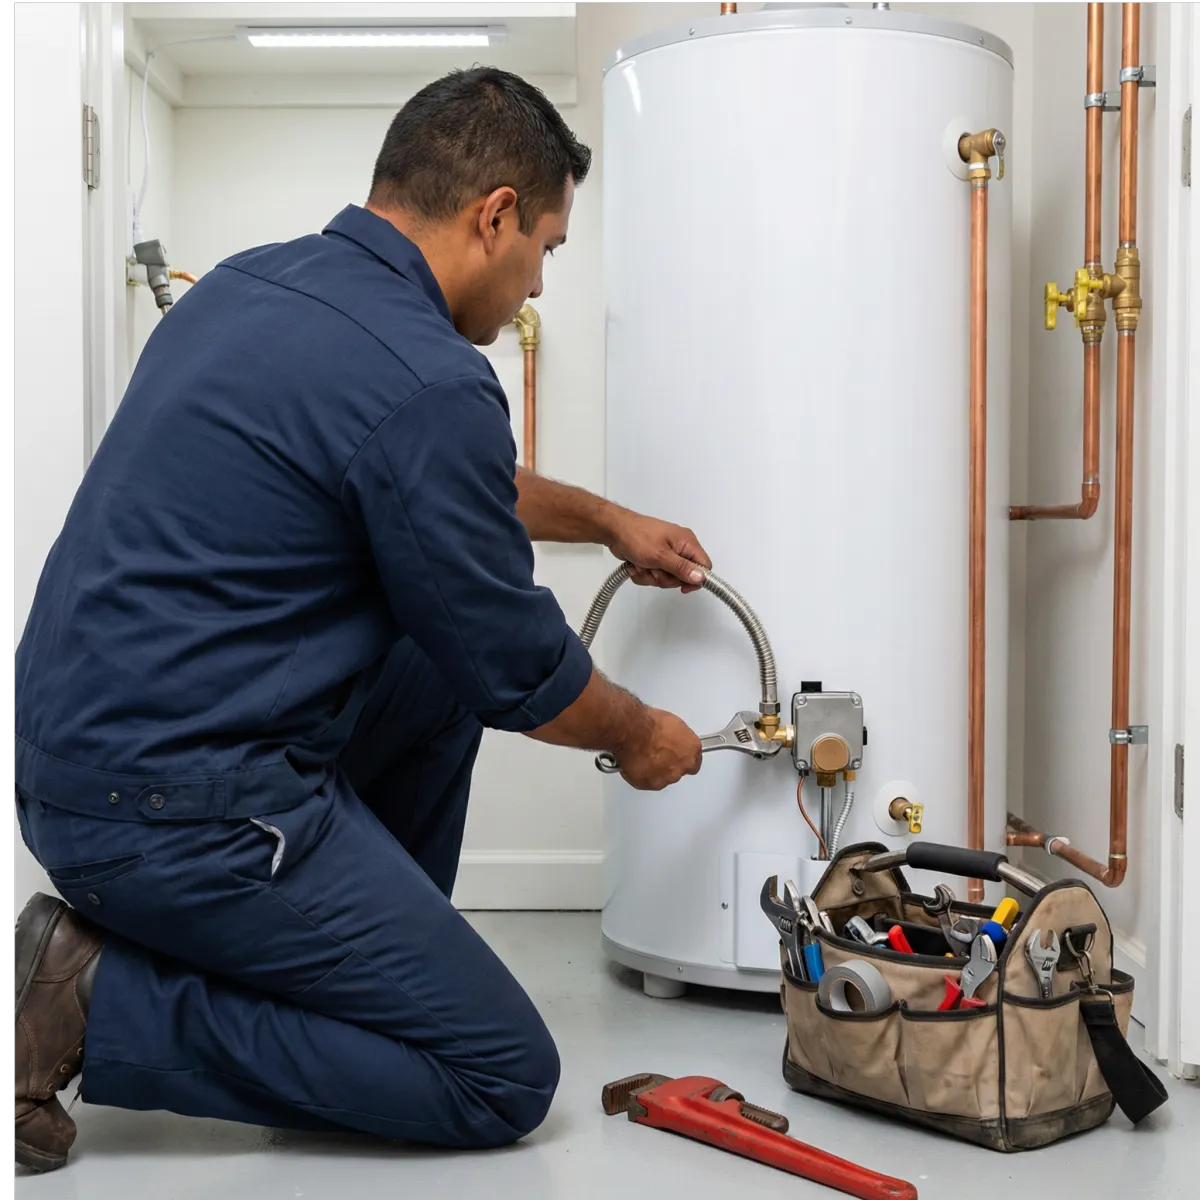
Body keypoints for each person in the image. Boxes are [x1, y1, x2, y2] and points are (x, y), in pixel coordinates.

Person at [11, 67, 710, 1172]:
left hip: (74, 761)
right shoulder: (429, 376)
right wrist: (639, 736)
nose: (536, 285)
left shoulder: (253, 286)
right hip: (166, 810)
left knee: (424, 673)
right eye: (547, 250)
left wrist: (606, 518)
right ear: (495, 216)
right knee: (500, 1076)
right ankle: (93, 997)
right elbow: (519, 670)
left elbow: (411, 468)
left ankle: (335, 982)